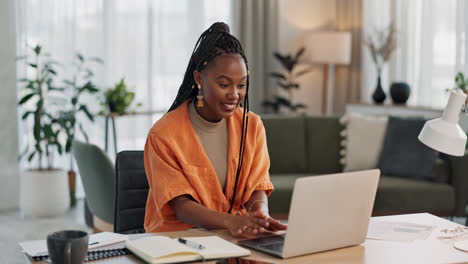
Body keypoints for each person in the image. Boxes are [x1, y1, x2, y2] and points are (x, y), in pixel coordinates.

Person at [144, 22, 287, 236]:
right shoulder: (164, 134)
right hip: (181, 238)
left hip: (234, 237)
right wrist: (229, 222)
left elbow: (257, 188)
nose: (235, 95)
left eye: (241, 85)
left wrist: (259, 212)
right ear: (199, 79)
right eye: (224, 84)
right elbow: (181, 206)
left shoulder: (252, 126)